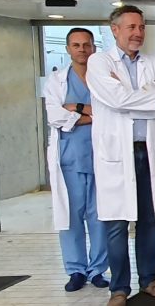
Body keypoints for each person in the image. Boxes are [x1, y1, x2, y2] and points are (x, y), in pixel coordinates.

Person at [87, 5, 155, 306]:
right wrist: (154, 98)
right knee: (116, 223)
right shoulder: (99, 62)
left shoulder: (153, 63)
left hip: (148, 151)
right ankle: (119, 289)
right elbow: (115, 100)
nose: (138, 33)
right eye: (131, 27)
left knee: (150, 220)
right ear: (115, 30)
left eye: (141, 27)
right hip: (118, 154)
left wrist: (142, 100)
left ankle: (149, 281)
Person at [44, 28, 109, 291]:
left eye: (86, 45)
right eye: (76, 45)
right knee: (71, 217)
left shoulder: (102, 78)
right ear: (69, 49)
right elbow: (55, 117)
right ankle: (76, 271)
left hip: (101, 157)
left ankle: (97, 270)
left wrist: (76, 108)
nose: (82, 49)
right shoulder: (57, 80)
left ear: (93, 48)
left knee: (100, 217)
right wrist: (91, 115)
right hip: (70, 159)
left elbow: (111, 111)